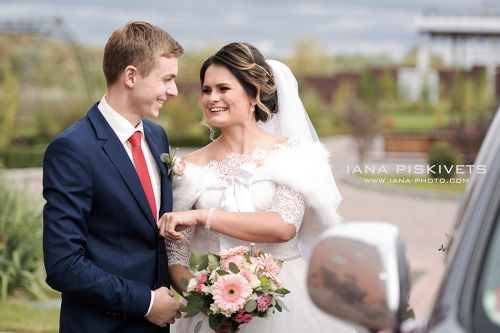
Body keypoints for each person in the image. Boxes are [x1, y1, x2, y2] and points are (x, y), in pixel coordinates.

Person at [159, 42, 355, 333]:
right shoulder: (190, 168)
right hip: (213, 315)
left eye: (223, 89)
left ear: (254, 94)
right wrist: (209, 300)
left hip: (289, 303)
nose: (212, 98)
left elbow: (283, 226)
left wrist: (203, 216)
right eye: (206, 90)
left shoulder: (293, 155)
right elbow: (176, 258)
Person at [43, 21, 186, 332]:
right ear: (131, 76)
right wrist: (146, 302)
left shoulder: (156, 136)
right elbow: (63, 265)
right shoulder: (73, 149)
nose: (173, 91)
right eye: (167, 79)